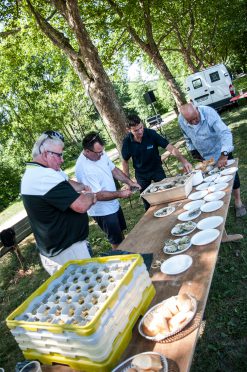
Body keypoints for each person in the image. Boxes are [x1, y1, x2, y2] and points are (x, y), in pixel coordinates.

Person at [21, 131, 97, 275]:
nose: (62, 160)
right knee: (89, 290)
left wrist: (81, 186)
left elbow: (65, 182)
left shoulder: (36, 171)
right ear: (45, 154)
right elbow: (80, 206)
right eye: (59, 155)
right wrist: (91, 195)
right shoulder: (44, 176)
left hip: (61, 250)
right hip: (67, 252)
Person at [179, 103, 246, 217]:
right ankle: (217, 203)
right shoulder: (181, 120)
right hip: (204, 154)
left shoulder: (209, 113)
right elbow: (187, 137)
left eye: (196, 118)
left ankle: (238, 201)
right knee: (211, 179)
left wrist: (224, 154)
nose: (194, 122)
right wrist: (193, 150)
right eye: (190, 121)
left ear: (197, 110)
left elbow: (225, 133)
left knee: (232, 175)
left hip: (220, 149)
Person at [75, 132, 141, 249]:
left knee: (120, 234)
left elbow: (114, 170)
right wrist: (120, 194)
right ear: (87, 151)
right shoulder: (84, 169)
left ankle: (127, 255)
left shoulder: (100, 152)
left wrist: (130, 182)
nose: (101, 154)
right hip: (102, 211)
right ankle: (122, 262)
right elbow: (98, 195)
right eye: (98, 152)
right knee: (116, 241)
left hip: (113, 203)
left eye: (102, 151)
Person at [121, 114, 192, 210]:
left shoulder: (151, 134)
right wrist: (127, 182)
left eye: (141, 127)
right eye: (136, 130)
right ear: (129, 130)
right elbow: (125, 161)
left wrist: (184, 161)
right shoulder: (127, 142)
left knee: (167, 195)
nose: (140, 131)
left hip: (156, 169)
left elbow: (170, 148)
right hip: (141, 175)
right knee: (148, 203)